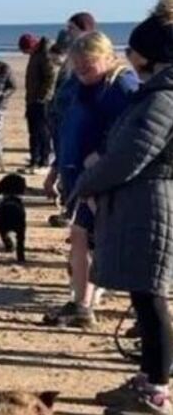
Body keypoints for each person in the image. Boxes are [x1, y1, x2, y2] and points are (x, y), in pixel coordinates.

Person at [71, 0, 173, 415]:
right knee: (144, 295)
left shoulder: (162, 98)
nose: (128, 57)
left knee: (151, 299)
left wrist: (86, 181)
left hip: (150, 207)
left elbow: (129, 156)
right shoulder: (157, 93)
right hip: (141, 204)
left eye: (132, 50)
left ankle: (157, 393)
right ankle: (150, 377)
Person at [41, 32, 139, 329]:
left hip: (110, 178)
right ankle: (82, 305)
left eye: (89, 65)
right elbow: (67, 130)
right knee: (81, 235)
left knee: (120, 243)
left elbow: (136, 132)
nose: (83, 71)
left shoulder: (122, 86)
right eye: (77, 66)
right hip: (79, 177)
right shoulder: (77, 87)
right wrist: (57, 168)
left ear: (109, 58)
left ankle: (140, 308)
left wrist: (101, 156)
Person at [45, 13, 99, 226]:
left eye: (70, 28)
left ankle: (78, 219)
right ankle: (72, 214)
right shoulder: (71, 58)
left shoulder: (88, 60)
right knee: (68, 170)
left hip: (77, 126)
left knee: (78, 174)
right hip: (64, 125)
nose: (67, 33)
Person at [18, 33, 57, 174]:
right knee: (33, 131)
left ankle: (44, 161)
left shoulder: (45, 54)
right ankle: (35, 160)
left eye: (26, 51)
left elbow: (51, 77)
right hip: (32, 99)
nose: (25, 54)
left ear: (32, 46)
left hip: (42, 101)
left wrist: (44, 97)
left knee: (43, 132)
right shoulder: (35, 55)